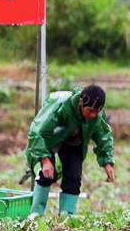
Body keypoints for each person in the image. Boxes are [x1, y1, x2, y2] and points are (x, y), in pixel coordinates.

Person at [25, 84, 115, 218]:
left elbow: (103, 136)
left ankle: (67, 216)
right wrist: (45, 159)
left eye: (97, 111)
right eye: (90, 111)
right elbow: (37, 132)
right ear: (81, 102)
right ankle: (36, 214)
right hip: (50, 139)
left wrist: (107, 162)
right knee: (47, 173)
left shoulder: (97, 115)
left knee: (74, 176)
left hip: (74, 141)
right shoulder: (60, 106)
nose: (93, 115)